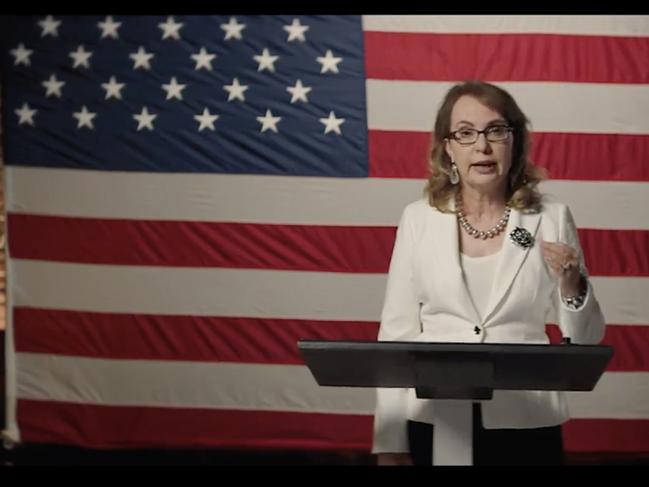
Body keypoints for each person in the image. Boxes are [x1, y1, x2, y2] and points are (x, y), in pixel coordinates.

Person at [372, 80, 606, 466]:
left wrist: (571, 283)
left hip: (527, 421)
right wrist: (389, 441)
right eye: (465, 133)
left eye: (495, 130)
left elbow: (586, 340)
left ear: (514, 142)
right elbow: (396, 336)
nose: (481, 145)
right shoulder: (418, 220)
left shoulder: (550, 218)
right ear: (448, 148)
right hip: (436, 419)